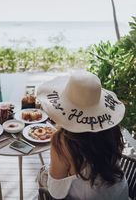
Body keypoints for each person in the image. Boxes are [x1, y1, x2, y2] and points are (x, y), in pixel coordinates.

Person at [36, 70, 128, 200]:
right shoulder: (112, 128)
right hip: (120, 193)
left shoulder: (63, 141)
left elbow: (56, 192)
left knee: (42, 176)